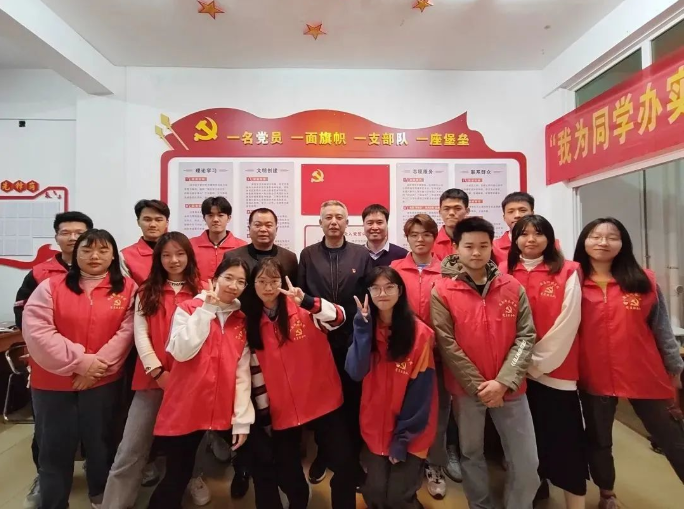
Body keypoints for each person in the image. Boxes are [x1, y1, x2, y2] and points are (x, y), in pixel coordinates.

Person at [573, 217, 684, 509]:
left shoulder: (643, 280)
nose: (603, 242)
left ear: (623, 243)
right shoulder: (573, 281)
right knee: (599, 440)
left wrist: (675, 369)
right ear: (584, 241)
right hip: (593, 375)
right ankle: (607, 494)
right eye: (596, 236)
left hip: (644, 372)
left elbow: (661, 328)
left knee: (672, 437)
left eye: (612, 237)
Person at [22, 229, 136, 508]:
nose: (94, 256)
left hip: (102, 381)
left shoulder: (128, 288)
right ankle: (54, 501)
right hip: (52, 382)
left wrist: (95, 369)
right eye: (87, 250)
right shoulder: (50, 286)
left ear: (113, 255)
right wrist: (82, 363)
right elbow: (38, 331)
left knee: (101, 443)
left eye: (103, 250)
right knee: (54, 446)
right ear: (76, 254)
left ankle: (100, 495)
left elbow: (127, 332)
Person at [431, 217, 539, 509]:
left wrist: (503, 382)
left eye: (483, 245)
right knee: (471, 454)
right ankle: (480, 505)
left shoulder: (512, 286)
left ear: (492, 247)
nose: (476, 252)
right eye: (469, 246)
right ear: (456, 248)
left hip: (511, 389)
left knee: (526, 462)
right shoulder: (442, 291)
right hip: (468, 391)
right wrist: (479, 386)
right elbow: (447, 344)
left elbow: (526, 336)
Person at [242, 258, 356, 508]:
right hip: (281, 410)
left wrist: (306, 301)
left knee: (345, 464)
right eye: (262, 281)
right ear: (252, 284)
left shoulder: (303, 309)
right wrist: (264, 417)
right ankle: (299, 501)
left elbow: (339, 317)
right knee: (287, 473)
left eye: (274, 280)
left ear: (283, 282)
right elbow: (254, 373)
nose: (268, 287)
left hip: (323, 402)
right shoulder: (250, 321)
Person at [102, 232, 201, 508]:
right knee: (131, 449)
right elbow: (141, 334)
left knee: (187, 447)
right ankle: (115, 504)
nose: (174, 260)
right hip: (152, 381)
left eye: (179, 254)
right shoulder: (147, 290)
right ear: (158, 259)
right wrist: (157, 372)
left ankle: (187, 487)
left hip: (190, 383)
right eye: (166, 255)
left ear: (189, 256)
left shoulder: (202, 290)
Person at [148, 257, 254, 509]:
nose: (233, 285)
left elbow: (242, 372)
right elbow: (180, 351)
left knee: (258, 454)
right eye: (228, 278)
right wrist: (206, 311)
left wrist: (242, 419)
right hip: (188, 405)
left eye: (241, 281)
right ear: (215, 279)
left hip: (223, 405)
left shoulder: (241, 320)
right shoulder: (188, 308)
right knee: (177, 474)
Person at [502, 215, 586, 508]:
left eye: (538, 233)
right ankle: (535, 494)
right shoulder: (503, 271)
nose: (531, 240)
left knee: (565, 443)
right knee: (527, 446)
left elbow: (568, 322)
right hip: (515, 374)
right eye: (524, 234)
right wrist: (519, 365)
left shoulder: (568, 271)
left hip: (555, 371)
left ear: (549, 238)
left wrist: (534, 362)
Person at [13, 211, 92, 508]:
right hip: (50, 364)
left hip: (95, 364)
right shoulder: (39, 273)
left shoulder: (105, 270)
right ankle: (45, 478)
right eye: (65, 232)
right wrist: (58, 349)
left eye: (79, 233)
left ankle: (95, 473)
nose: (72, 238)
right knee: (49, 430)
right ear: (56, 237)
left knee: (96, 425)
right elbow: (25, 316)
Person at [346, 266, 438, 508]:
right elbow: (355, 372)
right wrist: (362, 329)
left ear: (400, 291)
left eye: (389, 287)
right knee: (375, 495)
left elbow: (421, 394)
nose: (382, 293)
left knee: (398, 498)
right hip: (375, 426)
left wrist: (402, 439)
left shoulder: (420, 334)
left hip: (411, 430)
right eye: (375, 288)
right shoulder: (366, 326)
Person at [223, 207, 299, 498]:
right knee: (245, 406)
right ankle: (242, 468)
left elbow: (292, 299)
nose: (263, 229)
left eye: (269, 224)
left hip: (278, 340)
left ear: (277, 228)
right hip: (243, 336)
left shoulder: (289, 258)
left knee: (275, 408)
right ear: (249, 227)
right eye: (258, 224)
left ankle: (281, 468)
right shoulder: (235, 256)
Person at [298, 200, 373, 485]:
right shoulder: (308, 255)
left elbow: (368, 298)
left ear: (346, 223)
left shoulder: (361, 255)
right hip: (319, 342)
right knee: (323, 402)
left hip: (352, 342)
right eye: (327, 217)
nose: (333, 221)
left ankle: (352, 458)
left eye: (339, 217)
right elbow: (300, 298)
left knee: (352, 400)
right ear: (320, 222)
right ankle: (324, 454)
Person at [391, 213, 462, 499]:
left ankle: (435, 464)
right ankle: (404, 460)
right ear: (407, 238)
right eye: (414, 235)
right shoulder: (396, 269)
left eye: (426, 234)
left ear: (435, 238)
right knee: (402, 408)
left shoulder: (448, 270)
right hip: (404, 353)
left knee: (439, 412)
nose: (420, 240)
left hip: (440, 355)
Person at [190, 196, 247, 282]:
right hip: (199, 290)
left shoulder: (242, 246)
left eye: (220, 215)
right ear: (204, 218)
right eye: (210, 215)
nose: (215, 219)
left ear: (229, 218)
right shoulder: (191, 245)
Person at [120, 199, 170, 285]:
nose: (153, 225)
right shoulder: (125, 256)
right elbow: (127, 289)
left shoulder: (180, 252)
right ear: (138, 222)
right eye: (147, 220)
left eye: (158, 220)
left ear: (167, 223)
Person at [433, 189, 469, 260]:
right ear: (440, 212)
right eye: (446, 209)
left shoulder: (480, 240)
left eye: (457, 208)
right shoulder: (431, 243)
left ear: (467, 211)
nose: (451, 213)